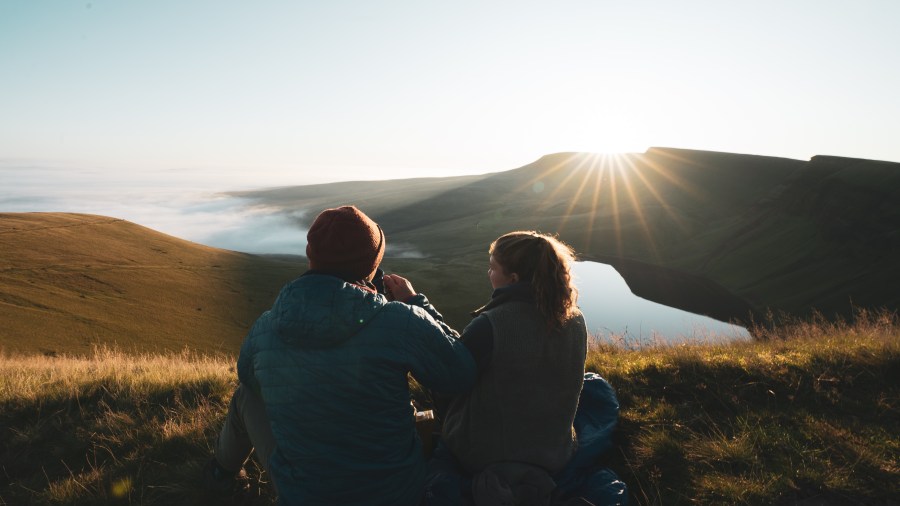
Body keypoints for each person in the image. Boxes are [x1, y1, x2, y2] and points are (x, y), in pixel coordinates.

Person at [204, 205, 476, 505]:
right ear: (371, 265)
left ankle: (220, 475)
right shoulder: (400, 320)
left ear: (311, 255)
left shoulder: (266, 326)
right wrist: (416, 302)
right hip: (394, 494)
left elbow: (249, 378)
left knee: (246, 396)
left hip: (302, 495)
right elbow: (460, 372)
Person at [428, 231, 588, 505]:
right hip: (554, 452)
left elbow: (447, 379)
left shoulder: (492, 324)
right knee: (595, 386)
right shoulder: (575, 319)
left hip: (483, 454)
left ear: (513, 279)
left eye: (492, 267)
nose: (488, 273)